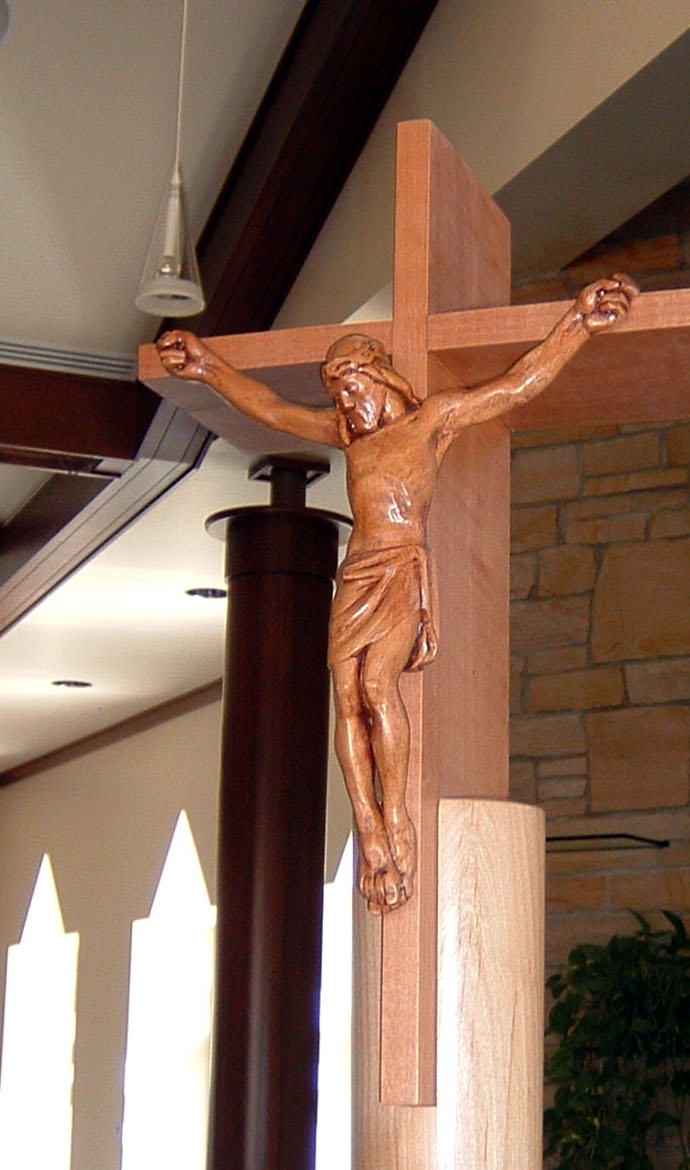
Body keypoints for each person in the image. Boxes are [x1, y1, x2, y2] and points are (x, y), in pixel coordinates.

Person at [156, 273, 638, 914]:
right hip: (356, 570)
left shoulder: (431, 421)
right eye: (340, 397)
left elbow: (515, 385)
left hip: (402, 565)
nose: (348, 407)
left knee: (379, 684)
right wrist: (208, 368)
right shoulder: (351, 440)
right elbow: (272, 410)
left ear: (379, 375)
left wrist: (578, 322)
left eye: (353, 389)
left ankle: (397, 812)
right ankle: (370, 826)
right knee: (345, 694)